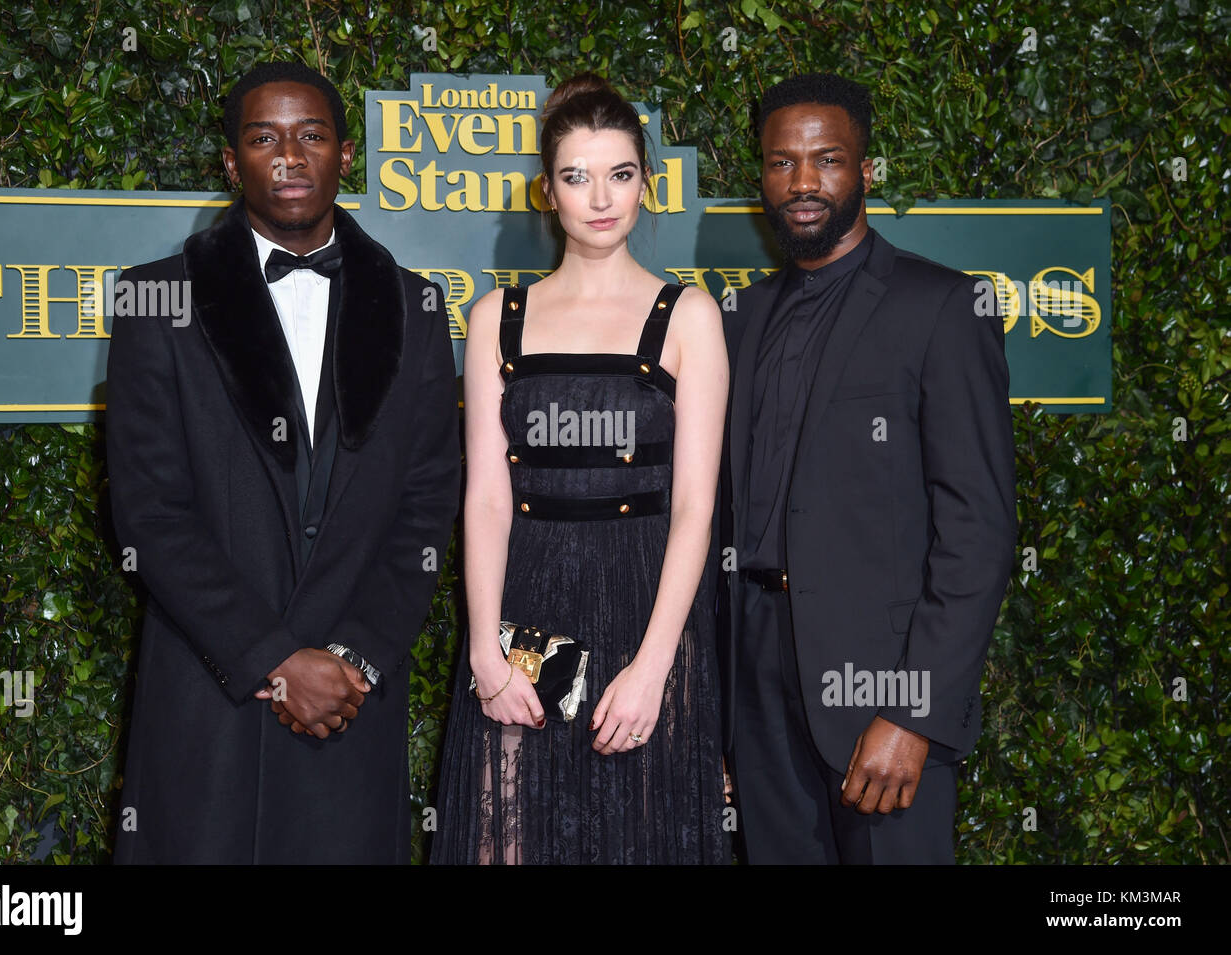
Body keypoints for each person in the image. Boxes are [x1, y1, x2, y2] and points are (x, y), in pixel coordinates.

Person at [106, 61, 461, 863]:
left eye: (312, 135)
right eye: (265, 138)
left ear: (345, 154)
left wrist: (353, 656)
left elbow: (428, 504)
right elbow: (148, 512)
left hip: (349, 702)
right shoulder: (155, 301)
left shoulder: (418, 309)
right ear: (233, 163)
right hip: (210, 700)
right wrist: (272, 657)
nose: (290, 156)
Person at [717, 73, 1016, 864]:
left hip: (881, 692)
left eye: (828, 160)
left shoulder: (943, 307)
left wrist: (914, 713)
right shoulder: (738, 319)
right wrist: (717, 717)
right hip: (756, 683)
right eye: (782, 163)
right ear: (762, 178)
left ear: (867, 171)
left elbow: (978, 531)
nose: (803, 182)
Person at [432, 73, 731, 864]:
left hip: (647, 609)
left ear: (646, 185)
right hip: (525, 607)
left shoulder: (689, 316)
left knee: (639, 841)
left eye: (620, 174)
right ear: (547, 191)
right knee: (509, 842)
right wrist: (484, 656)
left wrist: (655, 664)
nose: (600, 197)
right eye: (576, 176)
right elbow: (488, 500)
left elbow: (697, 506)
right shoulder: (498, 318)